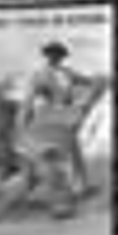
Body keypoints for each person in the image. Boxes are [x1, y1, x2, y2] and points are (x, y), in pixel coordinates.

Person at [23, 41, 97, 198]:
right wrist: (27, 117)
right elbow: (30, 98)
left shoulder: (67, 72)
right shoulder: (40, 75)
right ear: (47, 56)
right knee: (52, 154)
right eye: (52, 55)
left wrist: (96, 83)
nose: (56, 58)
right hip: (50, 117)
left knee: (74, 150)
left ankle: (81, 186)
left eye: (58, 55)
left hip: (67, 116)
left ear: (62, 57)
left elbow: (86, 81)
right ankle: (45, 189)